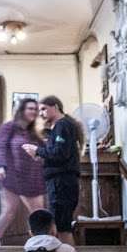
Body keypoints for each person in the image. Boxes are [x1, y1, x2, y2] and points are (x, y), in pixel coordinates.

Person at [0, 97, 46, 252]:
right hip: (11, 176)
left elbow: (44, 151)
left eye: (35, 109)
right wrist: (0, 166)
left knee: (39, 214)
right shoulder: (9, 127)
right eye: (30, 108)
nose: (33, 112)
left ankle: (42, 249)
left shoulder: (34, 134)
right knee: (9, 212)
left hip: (31, 178)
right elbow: (2, 146)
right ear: (22, 110)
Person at [22, 95, 82, 244]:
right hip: (59, 182)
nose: (41, 113)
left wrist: (38, 151)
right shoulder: (58, 128)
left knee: (62, 227)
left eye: (43, 109)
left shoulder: (62, 125)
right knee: (61, 225)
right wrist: (40, 155)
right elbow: (57, 153)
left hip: (62, 182)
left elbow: (60, 153)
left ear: (55, 107)